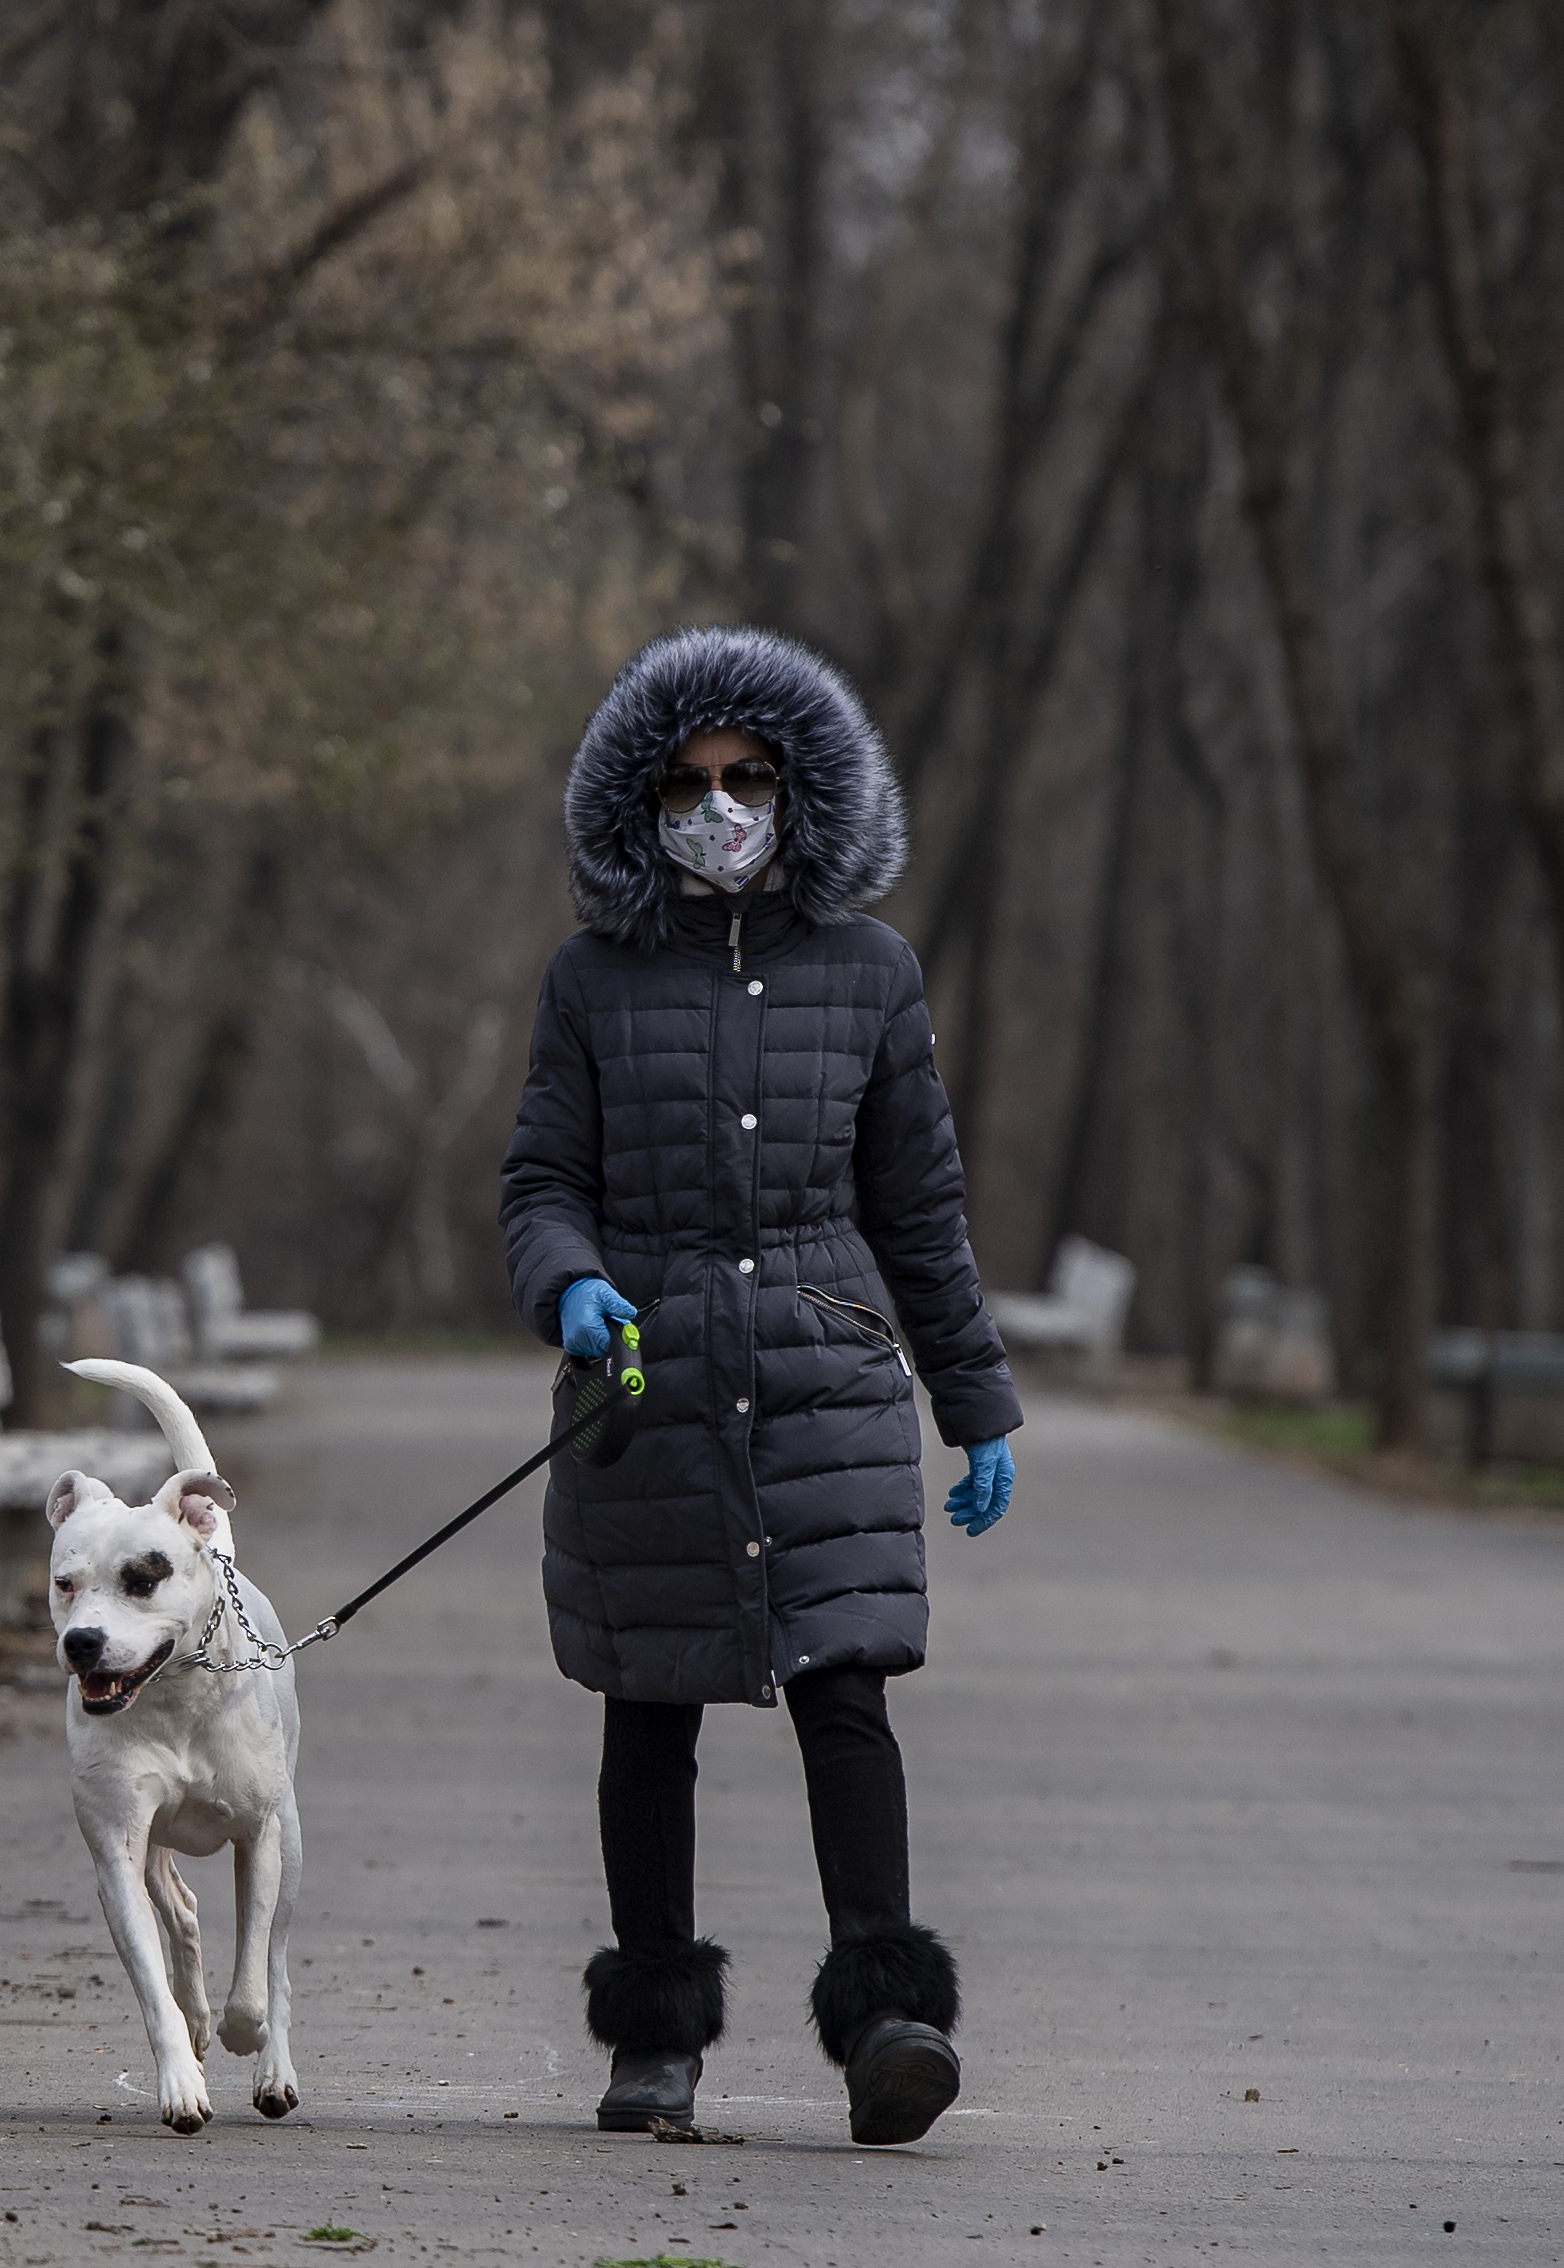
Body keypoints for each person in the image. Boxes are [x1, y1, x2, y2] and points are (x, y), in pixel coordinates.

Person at [495, 623, 1022, 2147]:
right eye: (689, 784)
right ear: (639, 806)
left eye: (747, 779)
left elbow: (918, 1207)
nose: (718, 806)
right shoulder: (591, 977)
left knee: (841, 1688)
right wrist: (568, 1280)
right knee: (644, 1706)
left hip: (824, 1369)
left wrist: (971, 1401)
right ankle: (652, 2039)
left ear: (800, 796)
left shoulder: (870, 972)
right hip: (644, 1377)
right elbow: (541, 1178)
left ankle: (887, 2021)